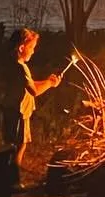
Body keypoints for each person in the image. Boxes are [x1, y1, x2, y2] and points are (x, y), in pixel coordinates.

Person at [8, 28, 70, 184]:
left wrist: (49, 81)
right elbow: (33, 91)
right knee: (17, 147)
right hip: (19, 113)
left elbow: (30, 85)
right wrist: (49, 84)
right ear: (22, 48)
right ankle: (13, 181)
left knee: (15, 147)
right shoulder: (20, 67)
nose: (33, 51)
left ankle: (8, 179)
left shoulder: (16, 65)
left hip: (17, 112)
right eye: (32, 47)